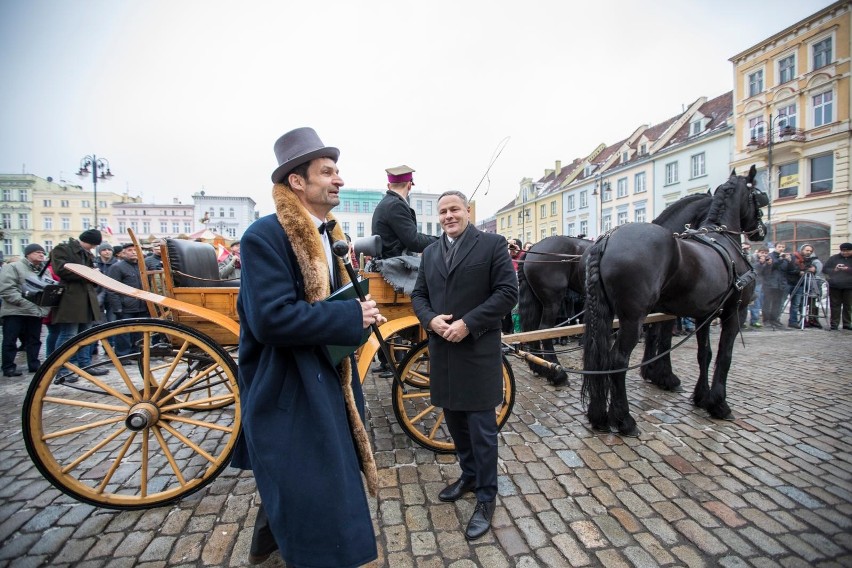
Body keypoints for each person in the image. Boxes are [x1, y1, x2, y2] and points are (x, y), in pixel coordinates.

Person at [230, 127, 382, 567]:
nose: (339, 180)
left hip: (323, 378)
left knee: (313, 480)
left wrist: (357, 310)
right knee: (316, 486)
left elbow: (323, 303)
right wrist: (351, 317)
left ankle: (270, 544)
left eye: (338, 171)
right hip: (289, 387)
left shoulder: (323, 234)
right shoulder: (265, 235)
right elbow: (270, 318)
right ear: (297, 181)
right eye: (328, 172)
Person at [410, 190, 518, 541]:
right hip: (443, 353)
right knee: (455, 423)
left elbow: (506, 293)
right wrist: (431, 321)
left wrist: (468, 323)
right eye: (442, 212)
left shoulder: (491, 244)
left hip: (476, 351)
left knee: (482, 431)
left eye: (454, 209)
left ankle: (487, 496)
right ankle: (469, 476)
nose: (448, 216)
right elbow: (419, 296)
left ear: (467, 211)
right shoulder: (429, 253)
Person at [50, 229, 109, 381]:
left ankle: (86, 365)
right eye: (93, 245)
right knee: (68, 335)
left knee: (86, 335)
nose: (93, 248)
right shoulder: (63, 249)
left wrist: (93, 274)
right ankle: (61, 369)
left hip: (87, 298)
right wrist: (88, 273)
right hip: (71, 298)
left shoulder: (86, 253)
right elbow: (61, 270)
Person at [0, 244, 51, 376]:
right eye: (37, 252)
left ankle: (34, 365)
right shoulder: (12, 267)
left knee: (34, 340)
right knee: (10, 340)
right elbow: (7, 290)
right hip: (15, 311)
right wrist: (28, 305)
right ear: (28, 254)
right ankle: (8, 367)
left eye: (42, 252)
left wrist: (42, 308)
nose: (41, 254)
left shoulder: (44, 270)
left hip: (35, 312)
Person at [370, 164, 438, 259]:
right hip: (395, 265)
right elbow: (414, 242)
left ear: (389, 186)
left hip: (388, 262)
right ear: (409, 185)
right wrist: (440, 241)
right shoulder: (396, 205)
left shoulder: (385, 203)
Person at [106, 244, 149, 356]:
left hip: (142, 304)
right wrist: (117, 307)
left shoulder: (142, 266)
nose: (133, 252)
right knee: (124, 332)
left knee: (139, 332)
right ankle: (123, 355)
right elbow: (111, 289)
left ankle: (137, 353)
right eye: (130, 250)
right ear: (123, 253)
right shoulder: (117, 267)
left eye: (135, 250)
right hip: (125, 306)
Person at [757, 242, 793, 330]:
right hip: (769, 283)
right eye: (779, 246)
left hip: (781, 284)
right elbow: (771, 267)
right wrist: (780, 259)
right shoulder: (770, 256)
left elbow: (790, 270)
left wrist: (790, 261)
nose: (781, 248)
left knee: (777, 304)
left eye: (783, 247)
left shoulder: (785, 257)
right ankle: (766, 320)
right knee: (767, 303)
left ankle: (775, 320)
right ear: (775, 247)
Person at [822, 242, 852, 330]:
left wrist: (848, 269)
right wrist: (835, 269)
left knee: (848, 306)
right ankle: (834, 324)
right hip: (835, 285)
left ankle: (847, 324)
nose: (845, 253)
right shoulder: (834, 258)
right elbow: (825, 269)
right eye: (843, 251)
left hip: (850, 286)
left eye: (847, 251)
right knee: (835, 305)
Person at [798, 244, 824, 328]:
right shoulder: (799, 259)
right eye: (807, 250)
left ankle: (813, 319)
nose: (808, 252)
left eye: (810, 251)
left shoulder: (815, 261)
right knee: (801, 303)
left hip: (812, 285)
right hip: (801, 283)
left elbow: (818, 271)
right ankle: (803, 319)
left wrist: (814, 269)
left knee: (812, 303)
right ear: (802, 250)